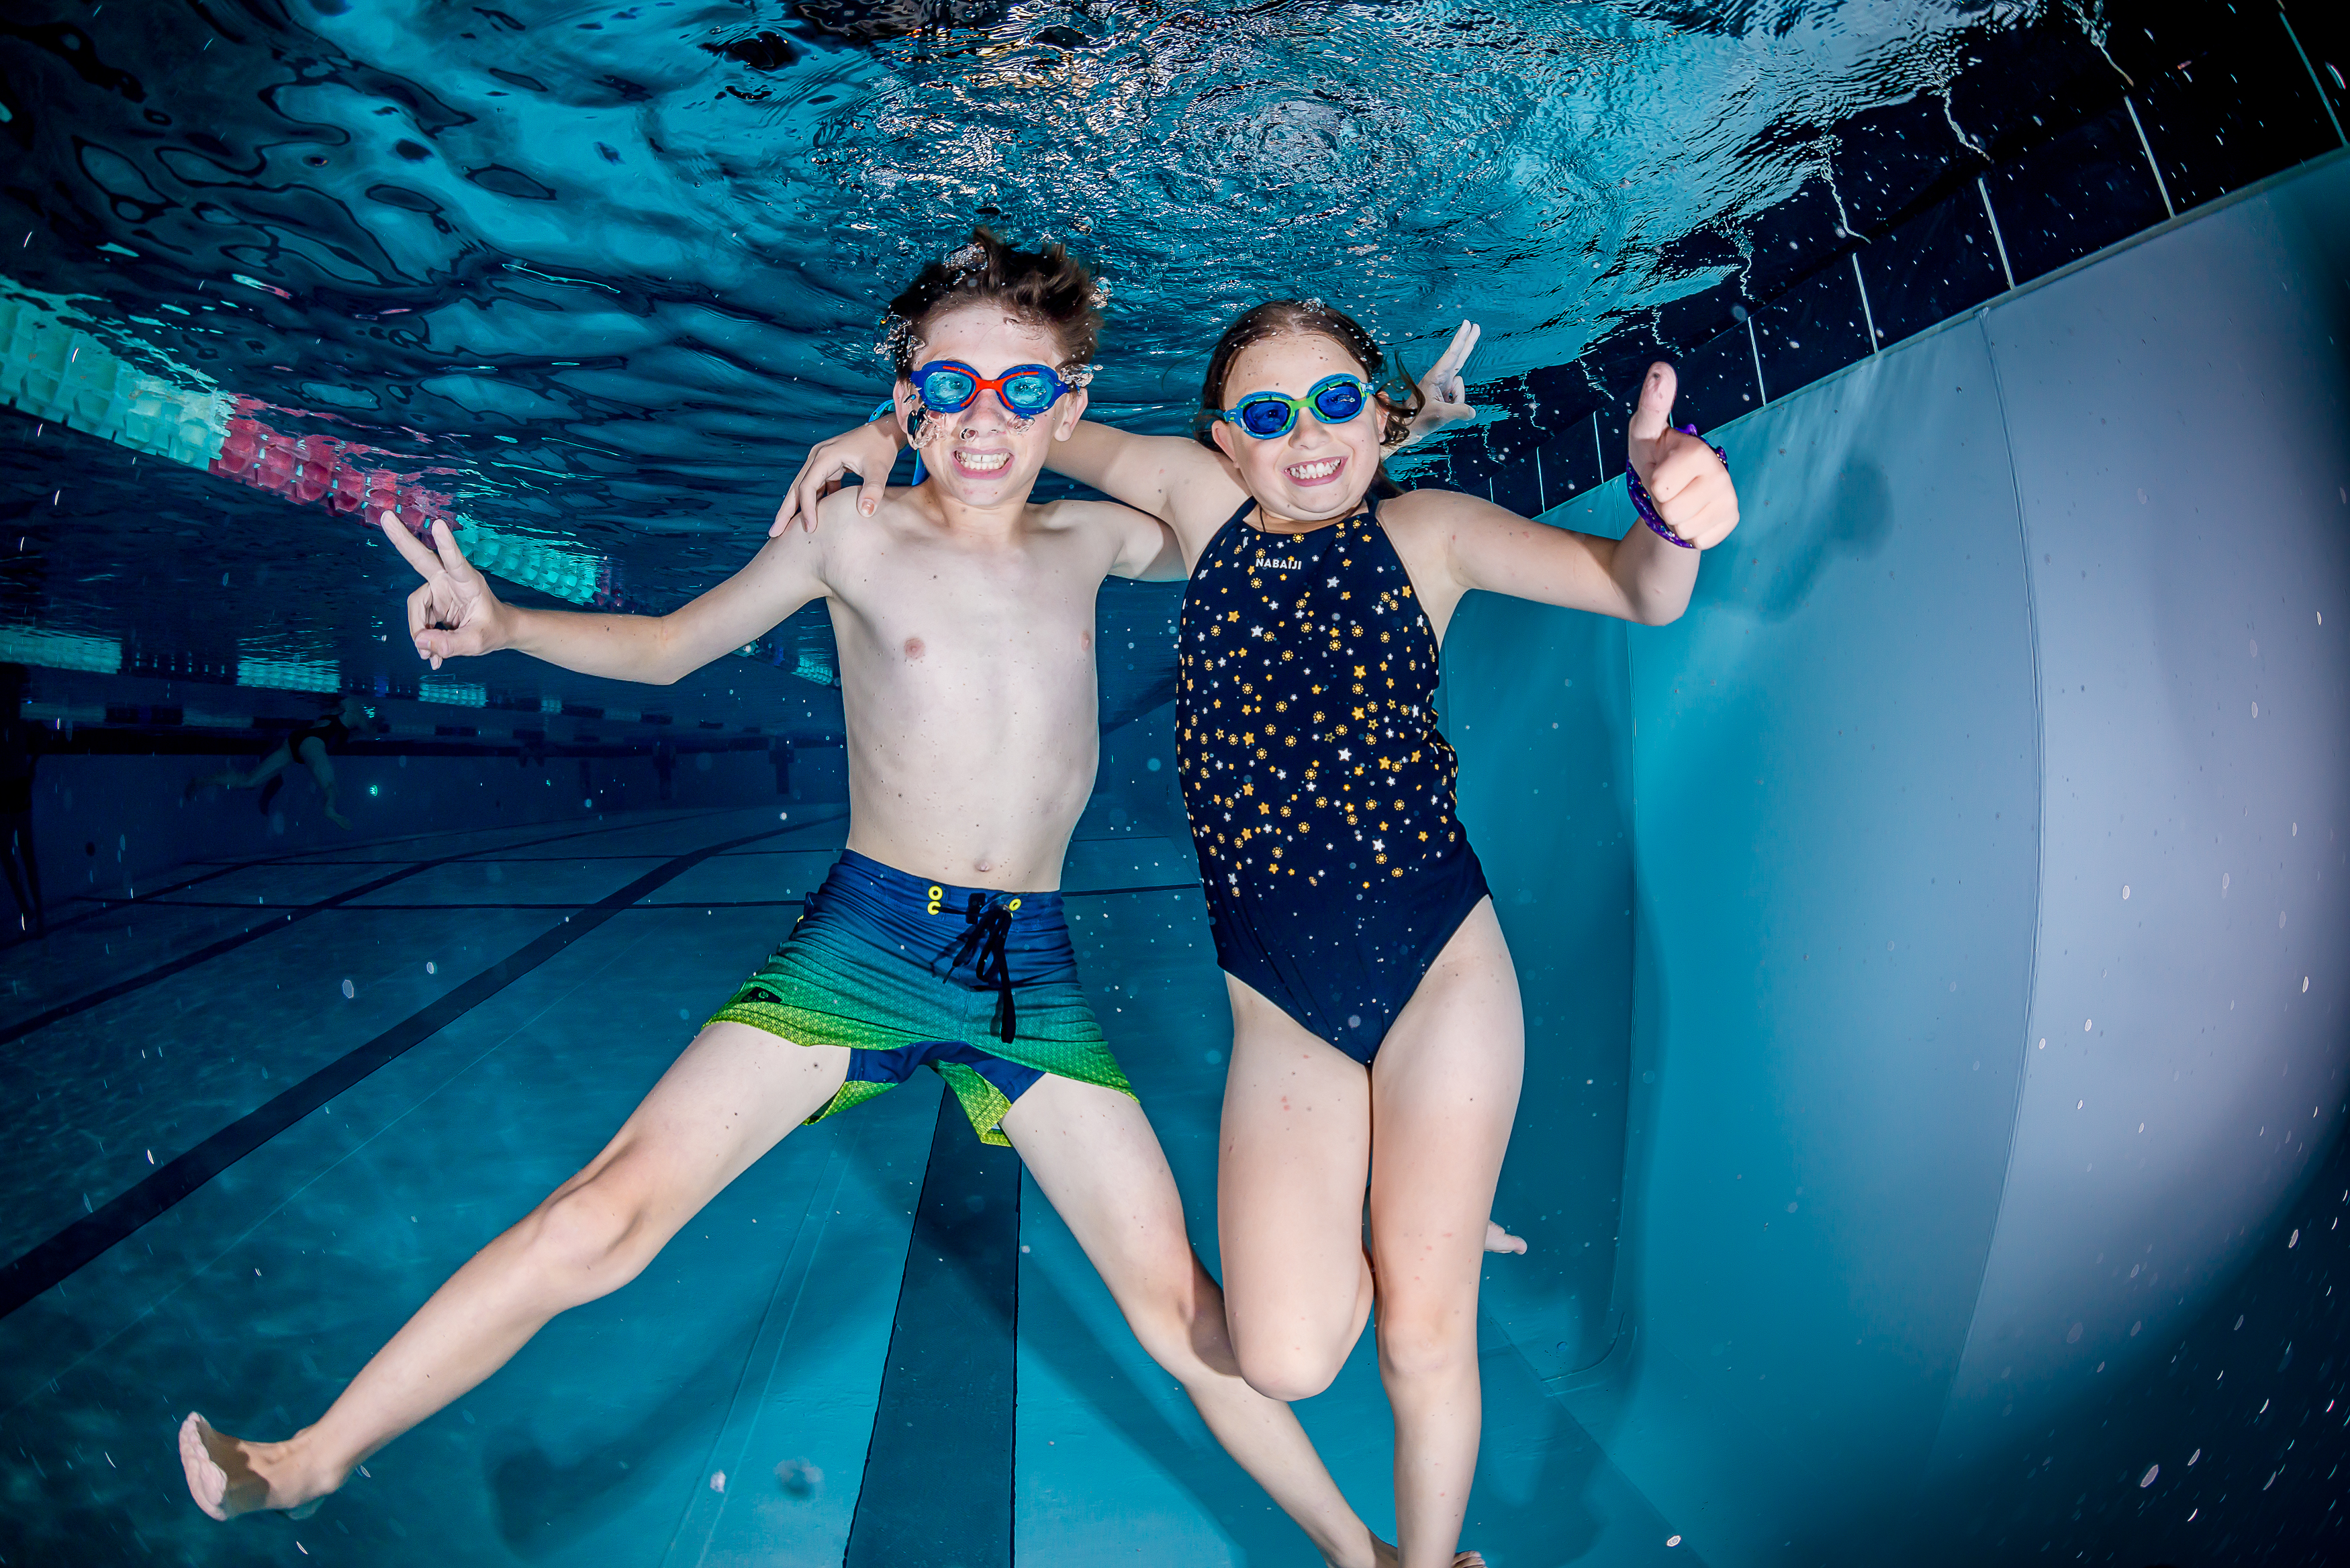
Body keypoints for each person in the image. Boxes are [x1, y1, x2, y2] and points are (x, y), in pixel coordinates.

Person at [180, 234, 1477, 1568]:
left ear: (1069, 407)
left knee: (1183, 1320)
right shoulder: (851, 534)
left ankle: (1360, 1552)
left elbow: (1285, 504)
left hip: (1027, 972)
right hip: (865, 944)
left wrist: (1398, 423)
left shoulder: (1102, 536)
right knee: (601, 1218)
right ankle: (304, 1458)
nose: (986, 421)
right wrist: (508, 625)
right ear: (908, 395)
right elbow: (675, 642)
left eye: (1024, 392)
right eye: (949, 389)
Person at [777, 301, 1739, 1567]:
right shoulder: (1193, 498)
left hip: (1440, 964)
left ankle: (1425, 1553)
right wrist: (867, 434)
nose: (1308, 438)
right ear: (1225, 441)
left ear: (1380, 415)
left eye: (1338, 403)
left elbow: (1635, 589)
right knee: (1282, 1356)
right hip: (1282, 1000)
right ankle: (1407, 1211)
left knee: (1422, 1332)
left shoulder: (1427, 532)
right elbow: (1022, 413)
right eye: (1271, 416)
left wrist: (1673, 518)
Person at [185, 693, 365, 829]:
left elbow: (350, 729)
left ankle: (201, 782)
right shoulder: (350, 717)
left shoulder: (335, 721)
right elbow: (366, 727)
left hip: (295, 741)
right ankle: (330, 809)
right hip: (312, 743)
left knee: (249, 781)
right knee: (331, 787)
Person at [0, 663, 42, 936]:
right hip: (14, 787)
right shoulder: (18, 727)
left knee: (16, 855)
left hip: (12, 787)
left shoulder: (17, 728)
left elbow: (40, 741)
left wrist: (32, 769)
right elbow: (41, 741)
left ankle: (33, 910)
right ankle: (35, 912)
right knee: (22, 854)